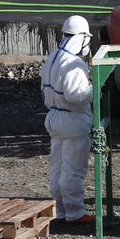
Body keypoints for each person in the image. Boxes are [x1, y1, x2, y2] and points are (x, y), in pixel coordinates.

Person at [40, 15, 95, 224]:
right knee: (73, 170)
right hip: (73, 122)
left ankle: (61, 210)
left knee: (57, 169)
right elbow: (75, 95)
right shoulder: (74, 63)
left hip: (55, 118)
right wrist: (97, 88)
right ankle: (75, 213)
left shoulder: (53, 57)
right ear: (82, 37)